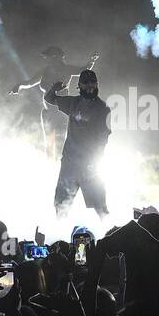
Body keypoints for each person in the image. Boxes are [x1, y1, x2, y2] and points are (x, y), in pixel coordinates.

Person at [44, 69, 111, 217]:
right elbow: (49, 98)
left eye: (93, 82)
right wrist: (54, 89)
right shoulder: (73, 102)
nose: (90, 86)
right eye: (86, 83)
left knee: (99, 207)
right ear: (79, 85)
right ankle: (59, 234)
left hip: (90, 165)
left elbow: (103, 139)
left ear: (97, 84)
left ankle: (107, 235)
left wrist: (94, 162)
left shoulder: (102, 109)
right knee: (61, 205)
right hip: (70, 163)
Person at [11, 46, 99, 158]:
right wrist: (19, 85)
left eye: (48, 57)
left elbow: (85, 70)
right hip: (48, 113)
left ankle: (62, 165)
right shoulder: (44, 71)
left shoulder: (67, 69)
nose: (46, 59)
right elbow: (30, 82)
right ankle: (51, 166)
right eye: (46, 57)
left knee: (61, 143)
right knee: (48, 145)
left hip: (62, 113)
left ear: (56, 57)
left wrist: (92, 61)